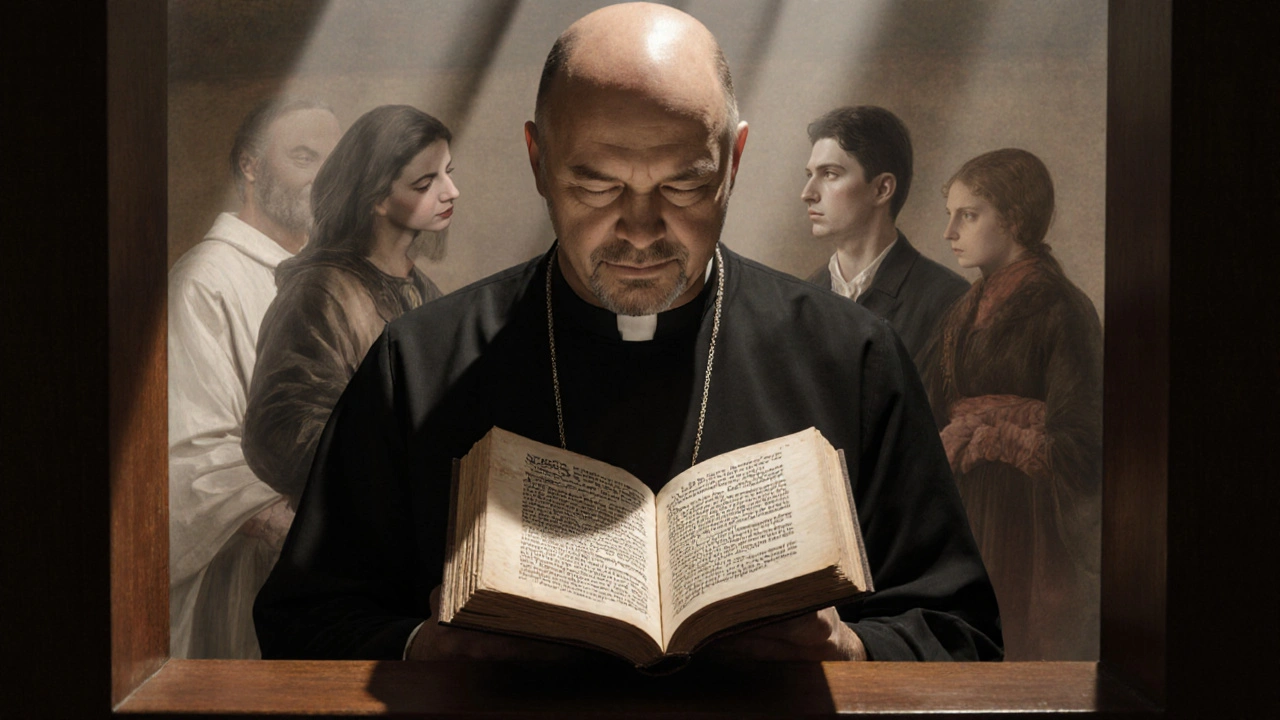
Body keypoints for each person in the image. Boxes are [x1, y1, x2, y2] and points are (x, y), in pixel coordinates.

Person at [255, 2, 1001, 664]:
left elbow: (960, 630)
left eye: (683, 183)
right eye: (598, 184)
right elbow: (305, 618)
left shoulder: (855, 358)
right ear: (539, 161)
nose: (640, 229)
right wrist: (428, 646)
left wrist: (851, 646)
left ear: (734, 163)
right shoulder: (416, 362)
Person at [168, 98, 341, 659]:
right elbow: (192, 454)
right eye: (303, 157)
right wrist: (305, 536)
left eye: (334, 162)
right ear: (250, 166)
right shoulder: (205, 280)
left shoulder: (322, 279)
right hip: (247, 573)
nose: (323, 178)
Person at [920, 148, 1102, 660]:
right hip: (968, 508)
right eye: (949, 216)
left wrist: (997, 434)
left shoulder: (1063, 307)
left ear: (1016, 219)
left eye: (969, 215)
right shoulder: (961, 311)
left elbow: (1084, 445)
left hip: (1031, 522)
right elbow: (928, 407)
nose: (950, 232)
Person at [244, 105, 457, 505]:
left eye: (449, 172)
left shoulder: (426, 295)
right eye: (427, 181)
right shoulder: (321, 291)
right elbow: (278, 431)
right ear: (377, 197)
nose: (451, 192)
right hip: (346, 529)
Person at [802, 106, 969, 366]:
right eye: (810, 175)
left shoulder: (948, 300)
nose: (808, 193)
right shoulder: (803, 298)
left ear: (882, 189)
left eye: (830, 174)